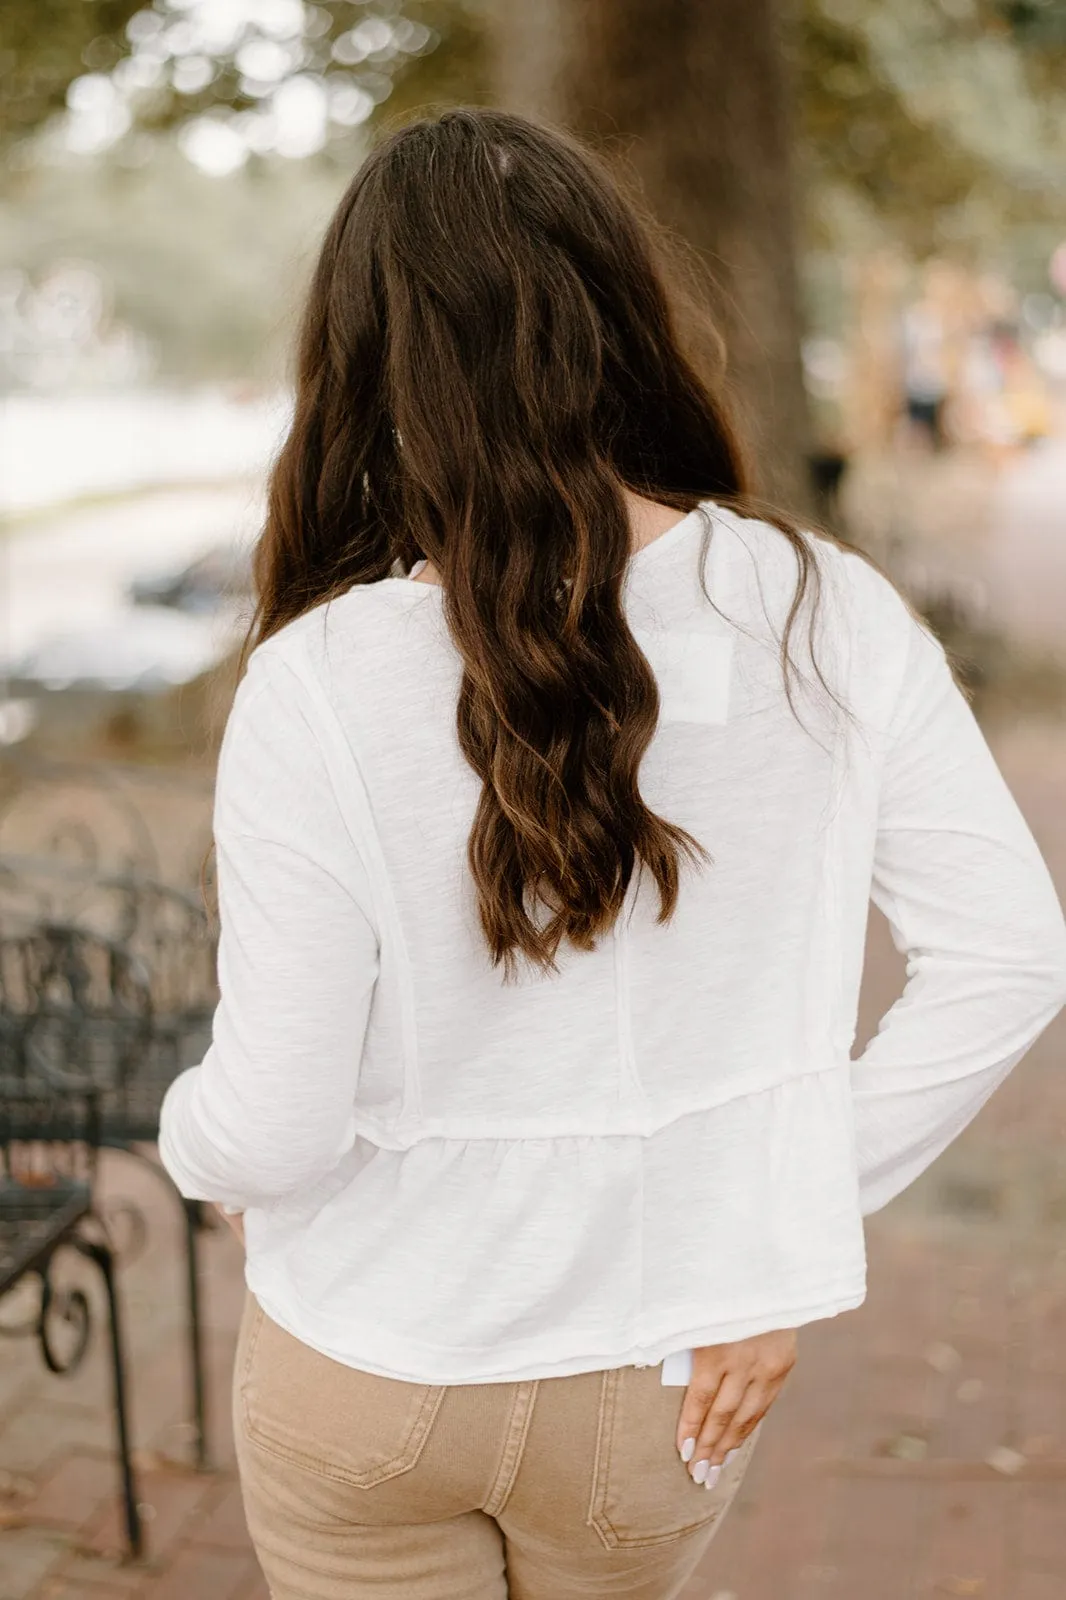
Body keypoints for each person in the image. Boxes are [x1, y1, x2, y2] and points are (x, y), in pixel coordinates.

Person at [158, 109, 1066, 1600]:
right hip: (664, 1370)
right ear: (620, 318)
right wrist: (769, 1230)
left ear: (369, 361)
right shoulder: (819, 610)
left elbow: (270, 1127)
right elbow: (1010, 958)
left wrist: (187, 1143)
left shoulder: (319, 677)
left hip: (372, 1360)